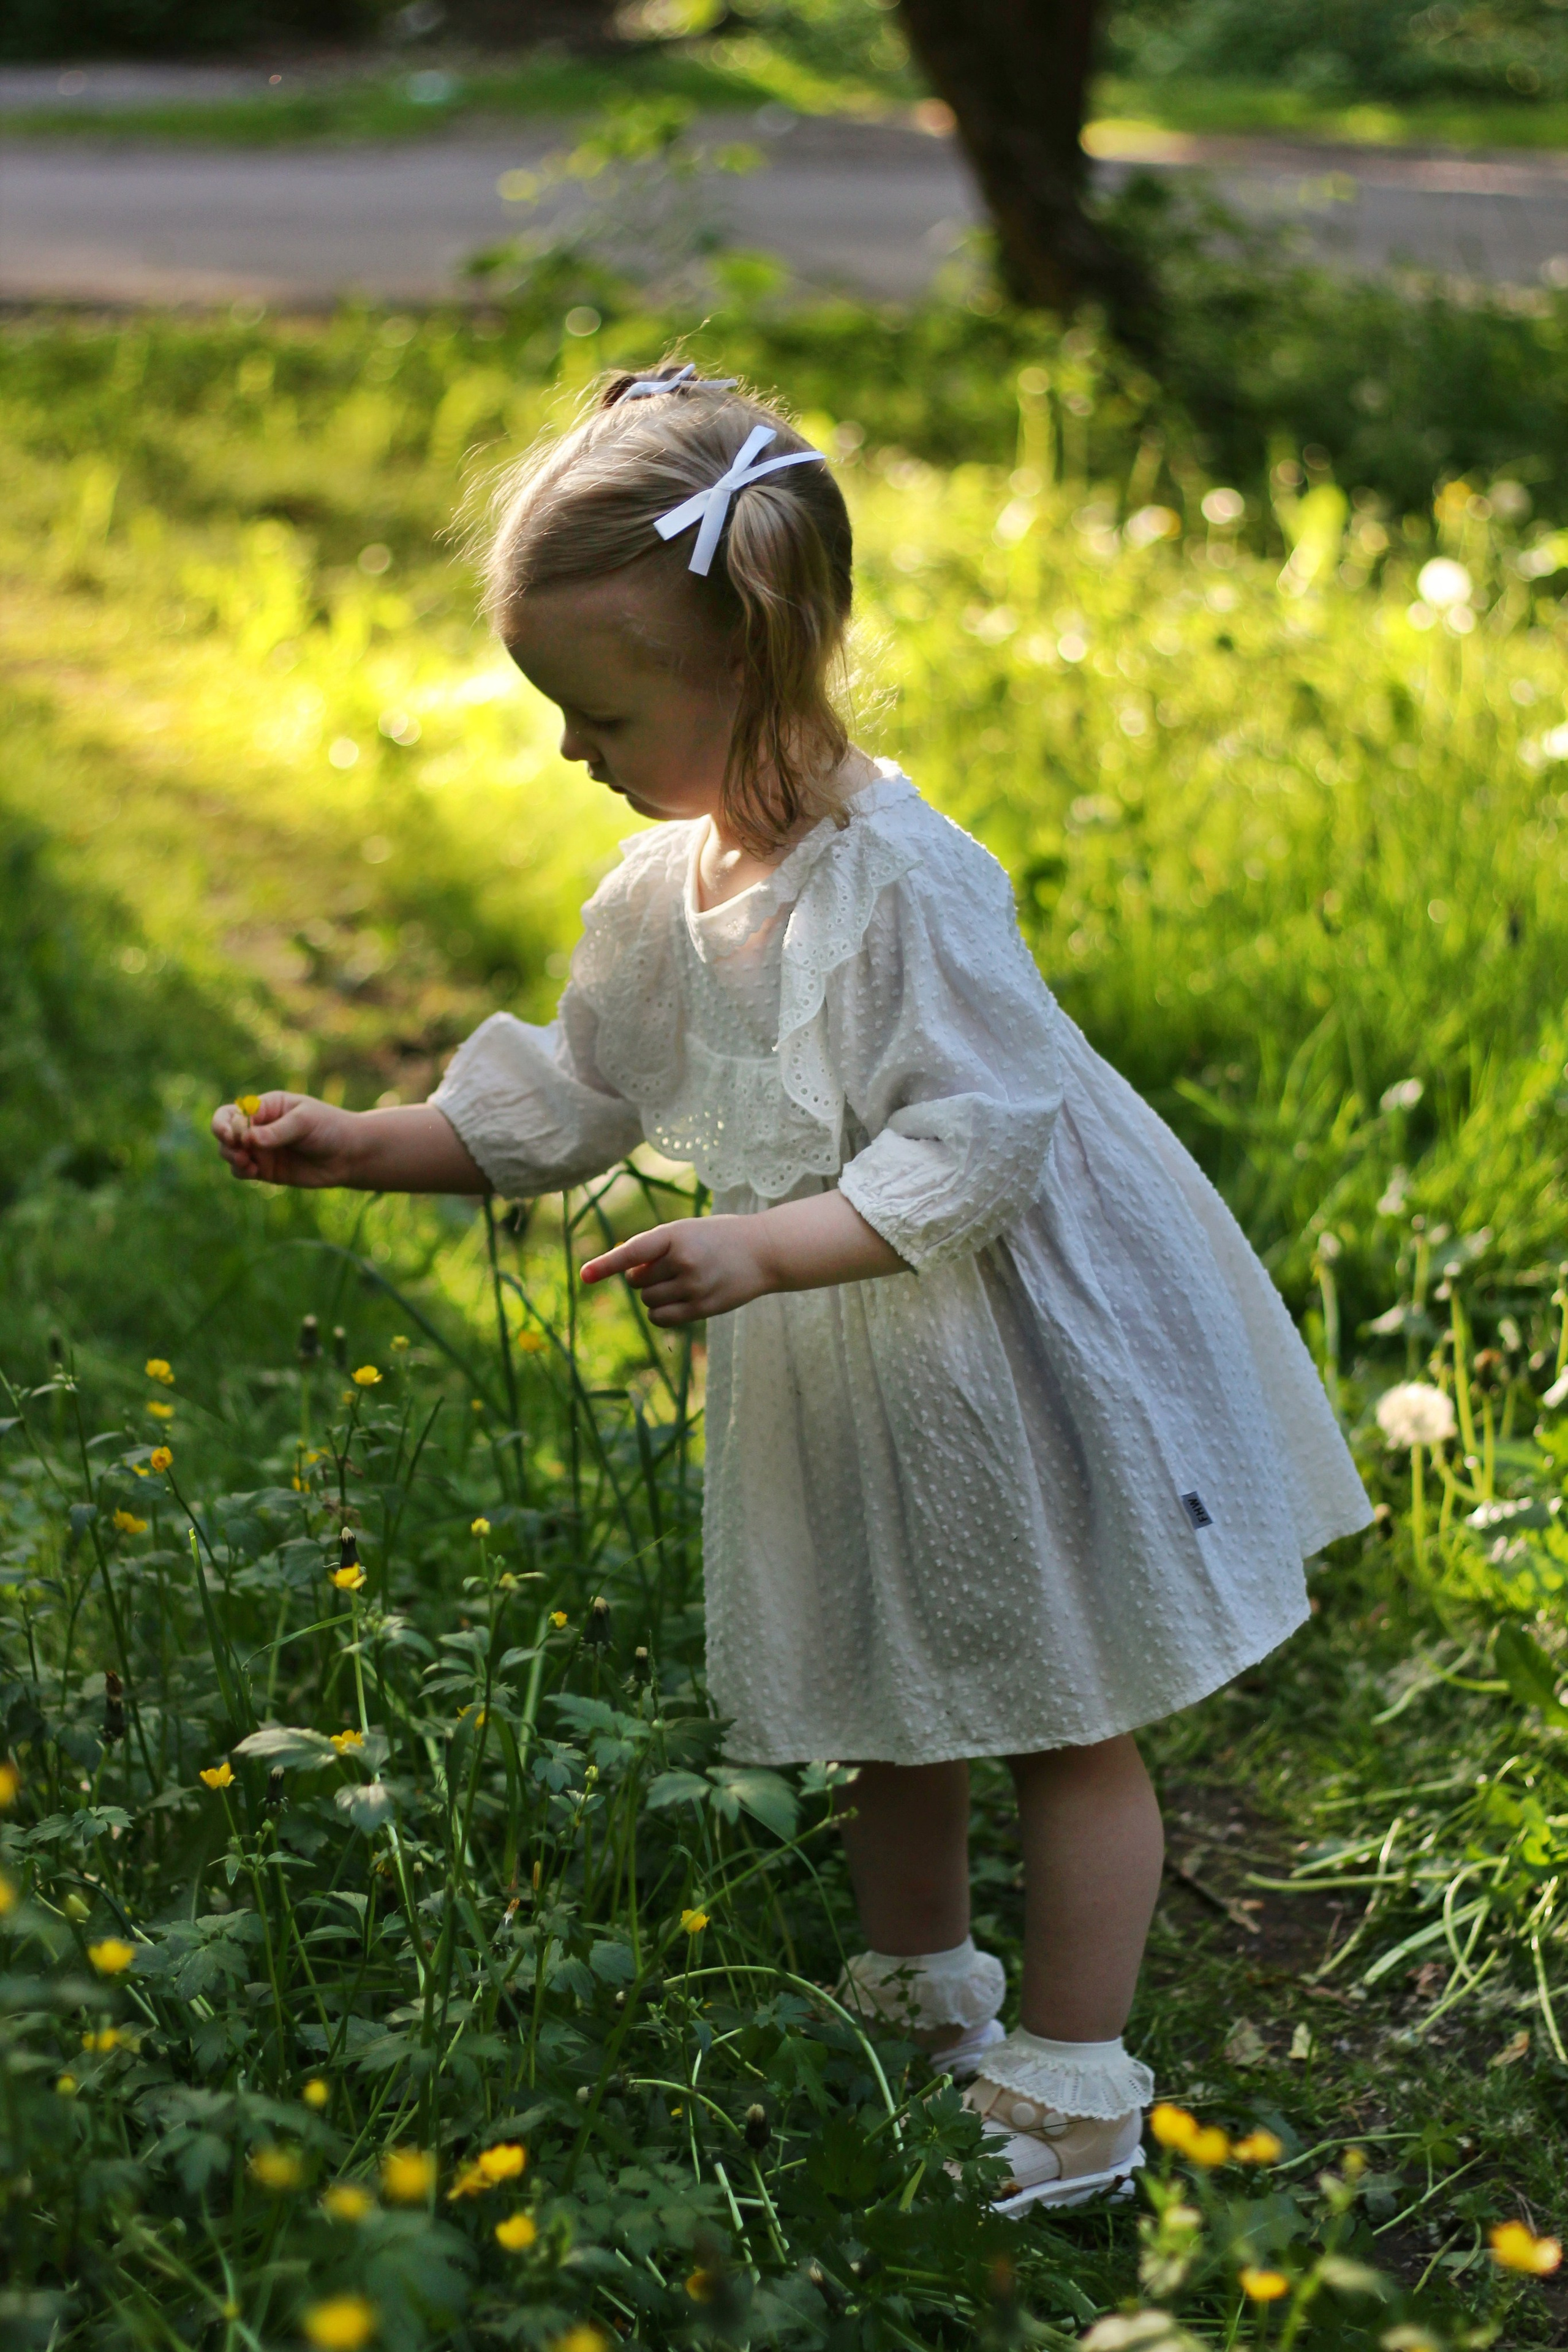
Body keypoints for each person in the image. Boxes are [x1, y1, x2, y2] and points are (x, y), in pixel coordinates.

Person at [212, 361, 1370, 2214]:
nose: (572, 751)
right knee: (877, 1684)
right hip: (838, 1361)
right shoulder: (660, 894)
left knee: (1068, 1712)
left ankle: (1072, 2095)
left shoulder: (906, 881)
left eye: (597, 712)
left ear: (748, 661)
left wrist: (764, 1245)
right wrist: (378, 1139)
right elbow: (578, 1093)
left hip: (1000, 1342)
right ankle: (918, 2005)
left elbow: (980, 1142)